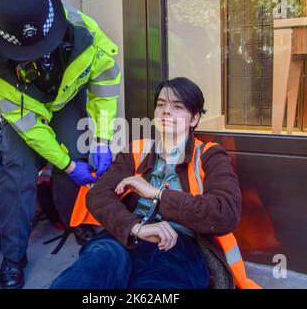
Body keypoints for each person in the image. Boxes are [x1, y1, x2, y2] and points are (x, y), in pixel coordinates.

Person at [0, 0, 121, 289]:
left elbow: (105, 82)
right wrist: (64, 165)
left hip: (64, 99)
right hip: (25, 112)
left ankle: (76, 219)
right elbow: (31, 128)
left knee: (77, 151)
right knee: (17, 170)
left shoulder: (84, 32)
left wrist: (103, 137)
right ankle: (13, 256)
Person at [50, 77, 260, 289]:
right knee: (93, 267)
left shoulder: (209, 154)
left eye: (177, 106)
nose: (166, 111)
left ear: (194, 119)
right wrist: (136, 228)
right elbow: (98, 195)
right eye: (161, 104)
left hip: (179, 246)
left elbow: (225, 213)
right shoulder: (136, 149)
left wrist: (156, 194)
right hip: (125, 235)